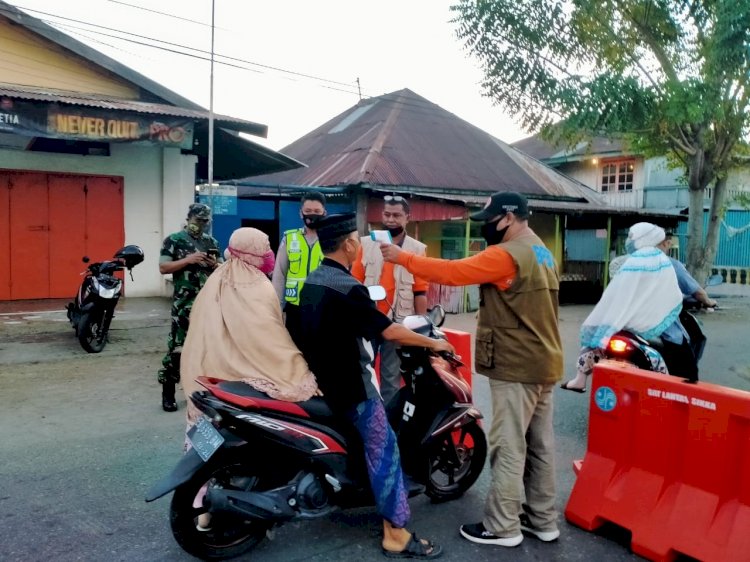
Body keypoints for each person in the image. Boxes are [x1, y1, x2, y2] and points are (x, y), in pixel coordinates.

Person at [380, 192, 563, 548]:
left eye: (489, 220)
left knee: (508, 446)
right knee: (539, 444)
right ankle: (542, 520)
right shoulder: (541, 250)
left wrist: (402, 258)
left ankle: (502, 527)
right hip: (545, 359)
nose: (486, 226)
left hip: (517, 363)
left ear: (508, 218)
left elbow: (454, 272)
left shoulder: (507, 254)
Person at [297, 212, 452, 559]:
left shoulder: (313, 281)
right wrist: (434, 343)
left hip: (320, 383)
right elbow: (388, 330)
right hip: (354, 389)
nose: (362, 248)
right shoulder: (349, 288)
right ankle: (396, 533)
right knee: (385, 450)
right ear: (350, 244)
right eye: (358, 241)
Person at [181, 227, 318, 430]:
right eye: (265, 248)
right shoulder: (258, 286)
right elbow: (269, 338)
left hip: (211, 369)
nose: (269, 254)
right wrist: (298, 369)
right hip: (248, 374)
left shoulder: (217, 277)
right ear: (251, 252)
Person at [561, 222, 684, 392]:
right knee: (678, 350)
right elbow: (671, 294)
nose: (629, 241)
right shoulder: (662, 260)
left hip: (619, 322)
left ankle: (580, 379)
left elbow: (615, 293)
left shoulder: (630, 261)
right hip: (648, 324)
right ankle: (667, 390)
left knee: (594, 340)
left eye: (631, 237)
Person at [351, 195, 429, 405]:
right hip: (368, 320)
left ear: (407, 218)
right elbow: (355, 283)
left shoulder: (418, 249)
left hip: (399, 323)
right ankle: (365, 420)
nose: (391, 219)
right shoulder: (366, 244)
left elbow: (420, 291)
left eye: (397, 215)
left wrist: (421, 324)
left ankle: (387, 428)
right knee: (361, 373)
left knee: (391, 378)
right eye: (387, 214)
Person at [157, 203, 220, 412]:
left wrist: (214, 265)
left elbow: (221, 269)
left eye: (205, 221)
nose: (201, 225)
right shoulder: (174, 240)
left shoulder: (211, 242)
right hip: (183, 305)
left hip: (208, 304)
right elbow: (163, 267)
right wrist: (188, 259)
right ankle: (168, 392)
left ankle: (201, 392)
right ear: (189, 218)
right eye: (198, 220)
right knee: (177, 349)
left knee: (207, 350)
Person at [271, 191, 327, 345]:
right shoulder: (290, 238)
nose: (312, 215)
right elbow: (279, 275)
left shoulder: (331, 239)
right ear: (301, 213)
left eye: (317, 212)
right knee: (293, 351)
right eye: (308, 211)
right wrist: (278, 307)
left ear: (324, 213)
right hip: (294, 308)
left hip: (322, 307)